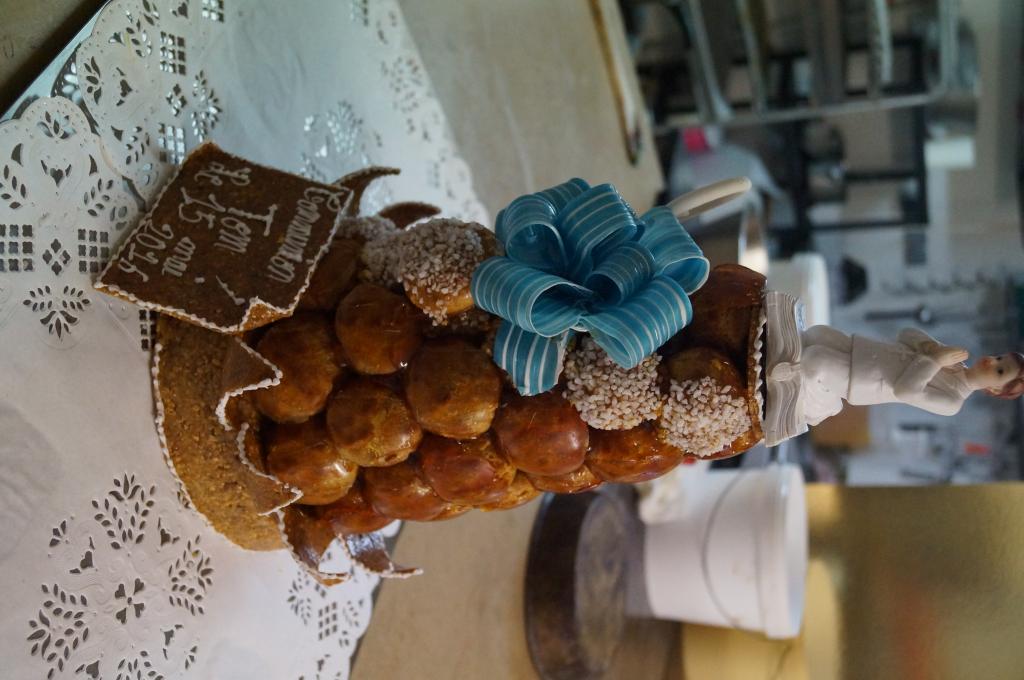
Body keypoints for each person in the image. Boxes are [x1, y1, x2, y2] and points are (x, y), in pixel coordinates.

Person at [794, 325, 1024, 425]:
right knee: (816, 335)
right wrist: (932, 348)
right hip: (862, 348)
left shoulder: (953, 402)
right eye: (999, 357)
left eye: (1000, 371)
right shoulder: (954, 359)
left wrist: (935, 360)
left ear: (994, 390)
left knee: (815, 360)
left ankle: (815, 403)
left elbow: (906, 391)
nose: (992, 361)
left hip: (863, 378)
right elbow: (905, 334)